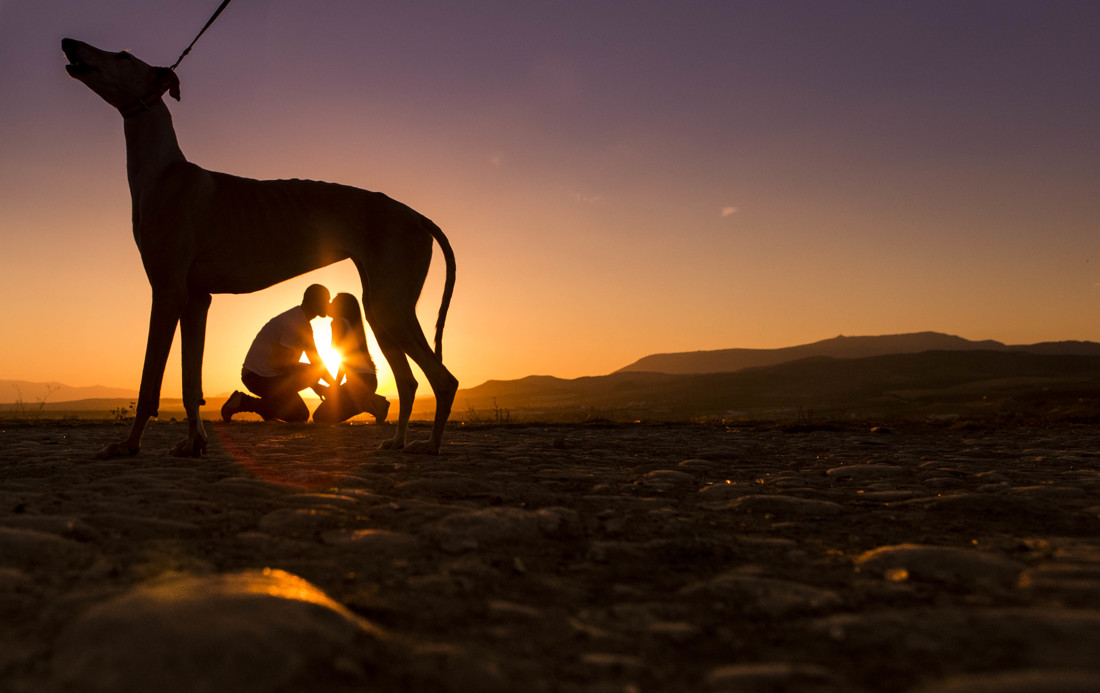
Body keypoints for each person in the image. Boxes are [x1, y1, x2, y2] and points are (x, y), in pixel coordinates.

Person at [222, 284, 332, 422]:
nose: (329, 305)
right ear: (315, 301)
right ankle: (243, 402)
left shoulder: (303, 323)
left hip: (269, 376)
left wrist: (334, 387)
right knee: (300, 409)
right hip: (257, 377)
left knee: (300, 414)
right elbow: (283, 364)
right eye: (327, 300)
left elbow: (316, 361)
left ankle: (268, 408)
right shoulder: (296, 322)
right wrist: (315, 384)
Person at [313, 292, 390, 424]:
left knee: (320, 417)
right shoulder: (350, 324)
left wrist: (335, 386)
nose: (329, 304)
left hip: (358, 383)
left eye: (333, 302)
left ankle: (372, 403)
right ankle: (369, 402)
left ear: (340, 307)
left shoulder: (338, 322)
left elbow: (345, 358)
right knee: (323, 417)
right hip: (367, 381)